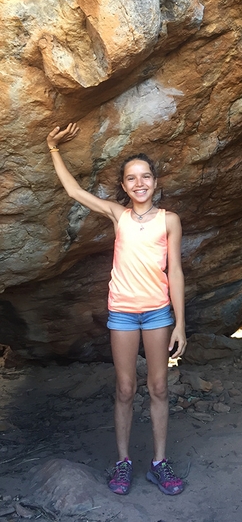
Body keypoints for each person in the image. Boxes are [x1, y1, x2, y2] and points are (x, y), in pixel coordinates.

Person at [46, 123, 187, 496]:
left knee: (158, 386)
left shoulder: (169, 220)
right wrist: (53, 149)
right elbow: (74, 191)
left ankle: (159, 463)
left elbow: (174, 271)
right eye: (131, 179)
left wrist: (180, 324)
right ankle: (123, 462)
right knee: (125, 388)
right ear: (124, 186)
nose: (139, 183)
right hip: (122, 313)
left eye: (145, 176)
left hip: (157, 312)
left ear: (154, 181)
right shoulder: (117, 215)